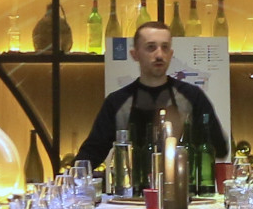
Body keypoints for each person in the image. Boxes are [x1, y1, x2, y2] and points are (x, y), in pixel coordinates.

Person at [74, 20, 223, 170]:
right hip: (130, 190)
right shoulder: (117, 102)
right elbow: (91, 153)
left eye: (165, 48)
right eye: (151, 47)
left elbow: (220, 147)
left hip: (183, 189)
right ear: (135, 54)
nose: (159, 55)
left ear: (171, 54)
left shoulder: (192, 97)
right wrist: (71, 179)